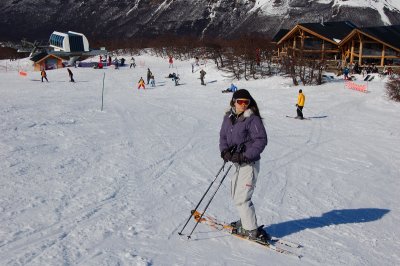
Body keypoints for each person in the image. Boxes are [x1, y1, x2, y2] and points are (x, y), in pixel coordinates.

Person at [219, 89, 269, 241]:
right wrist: (225, 151)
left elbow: (261, 140)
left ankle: (251, 230)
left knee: (242, 198)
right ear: (233, 101)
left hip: (249, 163)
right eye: (240, 101)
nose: (243, 105)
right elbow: (223, 136)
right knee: (236, 193)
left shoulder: (252, 119)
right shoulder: (228, 117)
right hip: (238, 164)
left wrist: (244, 155)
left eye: (246, 102)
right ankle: (245, 221)